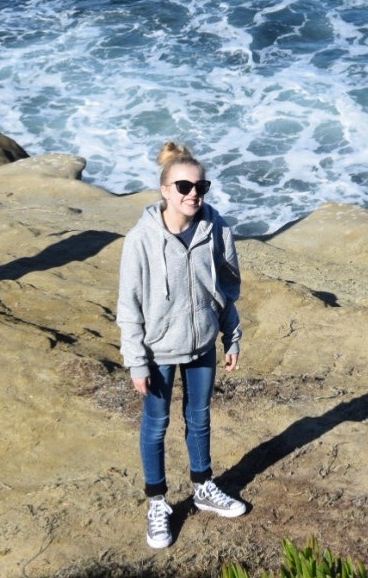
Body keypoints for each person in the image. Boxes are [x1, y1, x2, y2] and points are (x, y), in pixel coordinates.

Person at [116, 139, 248, 549]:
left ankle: (203, 486)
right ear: (165, 190)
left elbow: (226, 286)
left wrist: (232, 335)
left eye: (200, 187)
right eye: (184, 187)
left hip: (203, 345)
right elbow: (129, 304)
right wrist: (136, 361)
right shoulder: (140, 239)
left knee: (200, 418)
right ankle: (157, 502)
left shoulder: (216, 227)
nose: (193, 195)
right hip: (157, 352)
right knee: (156, 426)